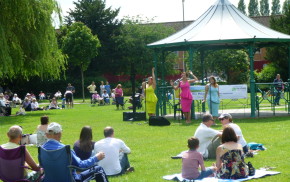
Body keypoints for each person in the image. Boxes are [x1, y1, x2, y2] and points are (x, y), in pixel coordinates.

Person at [42, 122, 109, 182]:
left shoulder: (42, 149)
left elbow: (42, 166)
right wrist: (96, 157)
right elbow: (81, 165)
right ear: (59, 134)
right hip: (71, 180)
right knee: (98, 169)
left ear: (48, 134)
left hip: (50, 179)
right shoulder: (65, 150)